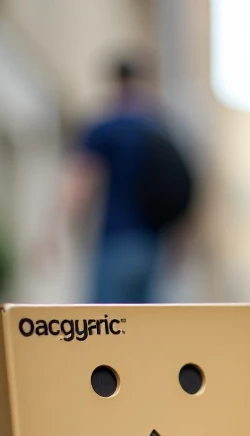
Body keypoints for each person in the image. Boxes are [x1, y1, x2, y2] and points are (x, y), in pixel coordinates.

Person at [66, 58, 168, 304]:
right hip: (151, 245)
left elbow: (83, 180)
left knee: (104, 324)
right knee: (143, 325)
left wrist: (66, 225)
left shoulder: (105, 128)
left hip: (115, 239)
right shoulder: (158, 128)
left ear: (116, 83)